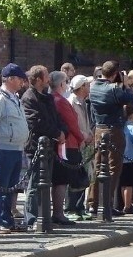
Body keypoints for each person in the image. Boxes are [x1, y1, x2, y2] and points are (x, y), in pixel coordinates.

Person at [0, 64, 30, 234]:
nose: (22, 82)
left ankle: (6, 220)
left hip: (15, 148)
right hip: (2, 149)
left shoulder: (13, 97)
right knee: (0, 187)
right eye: (19, 79)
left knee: (10, 188)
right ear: (9, 79)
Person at [89, 60, 133, 216]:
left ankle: (92, 203)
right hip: (114, 130)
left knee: (98, 166)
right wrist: (126, 85)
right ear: (115, 74)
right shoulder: (114, 89)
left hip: (98, 129)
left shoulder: (93, 87)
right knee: (113, 168)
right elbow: (132, 104)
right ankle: (106, 203)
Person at [22, 65, 65, 227]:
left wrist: (62, 132)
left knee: (46, 184)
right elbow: (36, 122)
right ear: (38, 79)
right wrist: (55, 133)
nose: (48, 79)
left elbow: (56, 117)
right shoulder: (29, 97)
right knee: (34, 185)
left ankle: (43, 215)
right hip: (36, 147)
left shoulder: (47, 97)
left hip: (49, 147)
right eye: (46, 76)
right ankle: (31, 218)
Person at [49, 70, 84, 225]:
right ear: (61, 84)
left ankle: (58, 212)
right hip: (67, 145)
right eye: (66, 81)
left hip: (63, 144)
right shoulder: (60, 100)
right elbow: (72, 123)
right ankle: (59, 213)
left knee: (59, 181)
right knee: (61, 181)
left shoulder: (53, 99)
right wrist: (81, 138)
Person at [66, 75, 94, 219]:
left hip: (85, 142)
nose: (89, 88)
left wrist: (89, 134)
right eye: (87, 85)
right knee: (74, 175)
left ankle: (80, 207)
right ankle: (71, 208)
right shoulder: (71, 102)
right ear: (81, 87)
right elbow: (72, 124)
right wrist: (84, 135)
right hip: (76, 142)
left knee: (84, 175)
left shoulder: (84, 102)